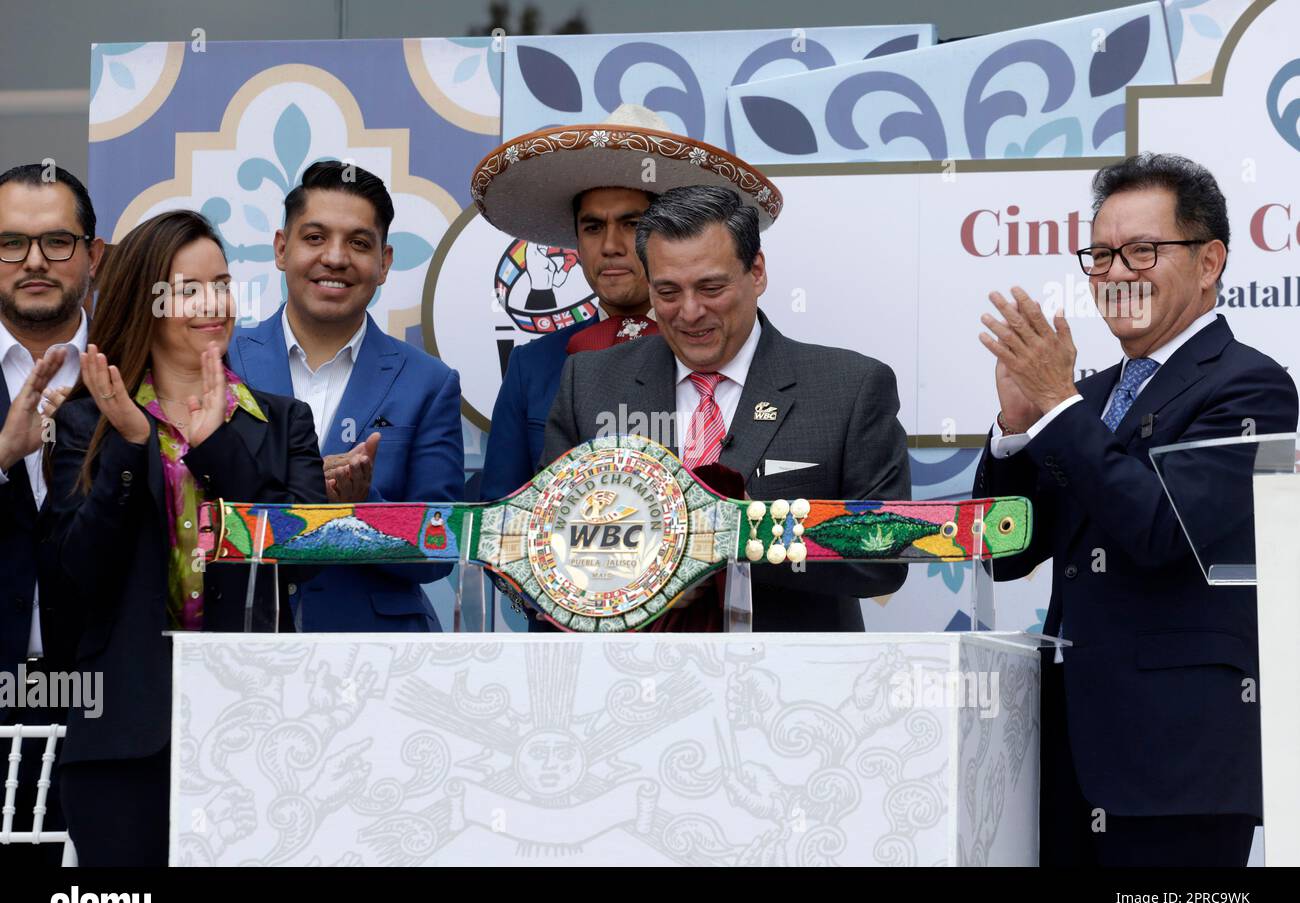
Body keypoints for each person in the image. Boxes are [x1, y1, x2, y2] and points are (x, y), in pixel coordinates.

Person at [974, 152, 1299, 866]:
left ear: (1209, 261)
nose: (1116, 273)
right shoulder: (1082, 400)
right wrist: (1015, 427)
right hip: (1059, 758)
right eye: (1100, 254)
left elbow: (1160, 532)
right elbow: (1003, 552)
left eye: (1143, 251)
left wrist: (1056, 408)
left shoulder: (1252, 389)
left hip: (1179, 767)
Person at [42, 210, 325, 866]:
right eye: (189, 288)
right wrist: (131, 446)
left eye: (222, 284)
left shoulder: (283, 422)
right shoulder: (87, 421)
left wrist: (218, 450)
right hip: (123, 740)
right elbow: (72, 577)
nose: (214, 304)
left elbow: (301, 557)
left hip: (260, 736)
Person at [542, 184, 911, 631]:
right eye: (668, 292)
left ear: (756, 272)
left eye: (711, 287)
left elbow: (883, 559)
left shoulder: (849, 388)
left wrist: (746, 538)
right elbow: (550, 546)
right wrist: (640, 574)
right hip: (629, 684)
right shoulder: (590, 382)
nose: (690, 311)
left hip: (794, 684)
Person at [475, 104, 782, 501]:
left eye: (632, 224)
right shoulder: (532, 368)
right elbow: (500, 525)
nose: (610, 246)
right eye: (592, 227)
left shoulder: (736, 347)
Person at [228, 160, 464, 632]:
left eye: (359, 243)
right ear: (281, 248)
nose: (335, 258)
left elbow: (441, 549)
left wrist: (362, 505)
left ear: (384, 263)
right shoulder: (223, 362)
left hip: (381, 655)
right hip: (241, 642)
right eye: (314, 238)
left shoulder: (429, 382)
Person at [0, 163, 102, 867]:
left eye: (57, 242)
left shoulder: (141, 365)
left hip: (107, 705)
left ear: (94, 254)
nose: (34, 260)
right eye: (11, 242)